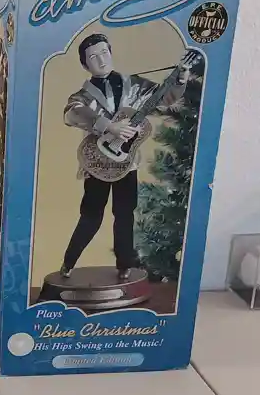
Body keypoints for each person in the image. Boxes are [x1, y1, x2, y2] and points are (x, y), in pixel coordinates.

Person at [60, 34, 189, 281]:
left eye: (104, 53)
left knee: (125, 214)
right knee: (91, 215)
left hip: (127, 162)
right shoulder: (83, 96)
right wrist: (108, 126)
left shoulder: (135, 85)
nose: (101, 60)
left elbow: (163, 99)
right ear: (85, 65)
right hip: (98, 162)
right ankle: (69, 262)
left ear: (111, 52)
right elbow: (71, 113)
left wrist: (179, 80)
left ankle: (124, 265)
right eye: (93, 57)